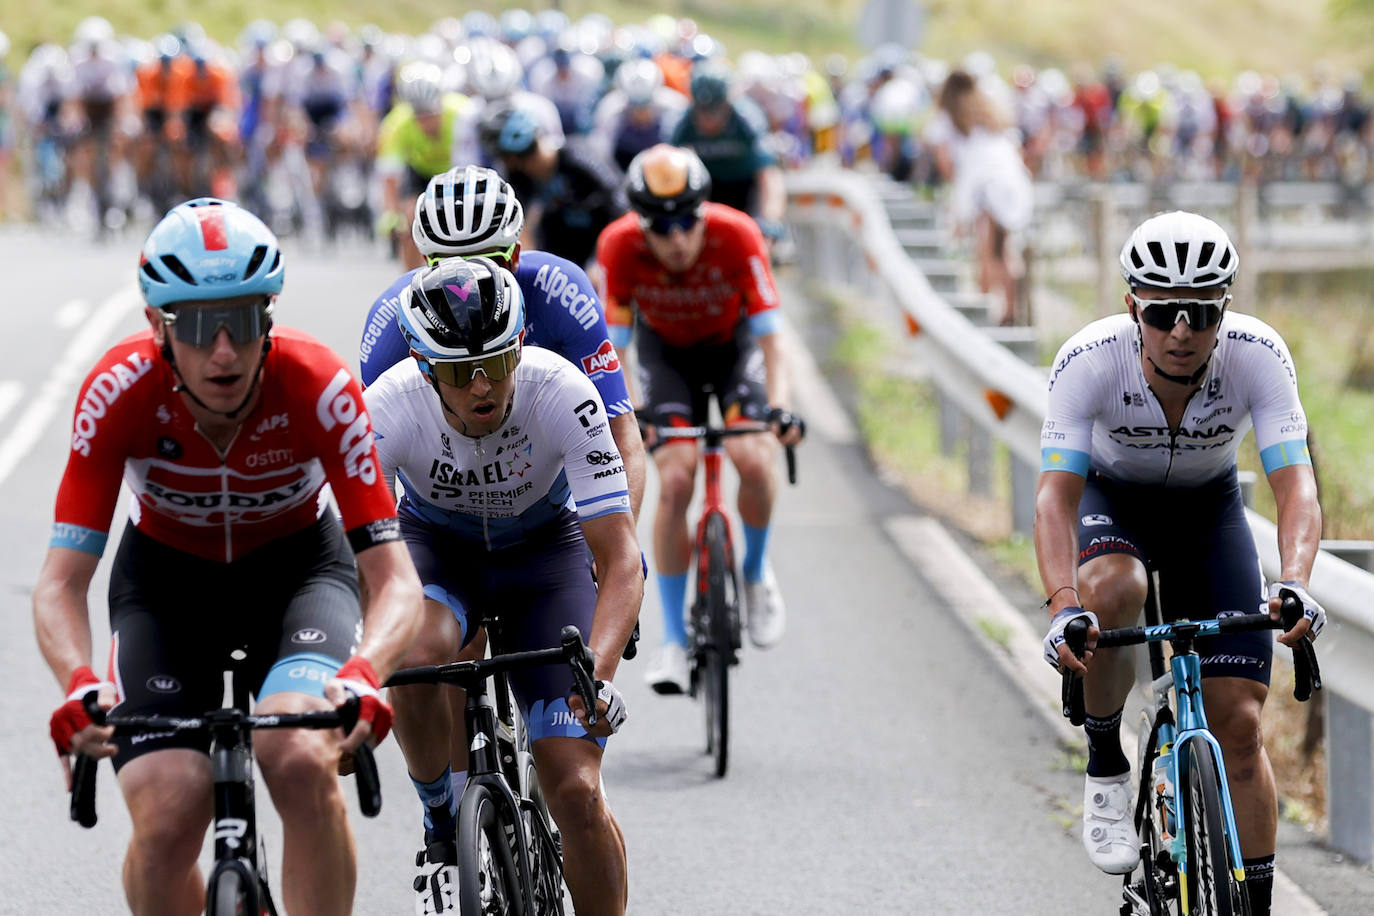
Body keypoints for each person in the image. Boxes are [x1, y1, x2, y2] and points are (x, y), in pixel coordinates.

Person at [35, 198, 423, 915]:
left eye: (242, 321)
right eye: (196, 325)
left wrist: (368, 673)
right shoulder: (116, 392)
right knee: (169, 809)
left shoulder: (319, 384)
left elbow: (393, 577)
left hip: (299, 577)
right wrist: (76, 681)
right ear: (157, 326)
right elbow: (60, 582)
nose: (223, 350)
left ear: (268, 318)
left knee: (301, 757)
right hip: (165, 588)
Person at [1034, 211, 1324, 916]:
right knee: (1117, 587)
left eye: (1201, 312)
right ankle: (1105, 758)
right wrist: (1064, 605)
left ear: (1225, 308)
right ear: (1134, 306)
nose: (1182, 331)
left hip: (1208, 512)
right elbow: (1053, 498)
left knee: (1240, 727)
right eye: (1164, 313)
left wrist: (1295, 583)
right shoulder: (1088, 358)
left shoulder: (1258, 353)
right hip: (1116, 503)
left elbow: (1296, 484)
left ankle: (1253, 904)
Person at [366, 257, 641, 916]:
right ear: (428, 370)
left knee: (574, 788)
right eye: (460, 373)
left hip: (545, 558)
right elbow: (358, 565)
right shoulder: (385, 408)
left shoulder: (562, 393)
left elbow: (622, 560)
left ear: (522, 345)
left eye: (497, 361)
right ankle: (440, 823)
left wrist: (595, 679)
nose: (484, 385)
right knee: (414, 656)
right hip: (441, 552)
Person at [597, 143, 804, 694]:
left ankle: (755, 573)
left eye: (687, 221)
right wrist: (631, 415)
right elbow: (614, 349)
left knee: (754, 459)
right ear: (641, 222)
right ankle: (674, 640)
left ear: (704, 212)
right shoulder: (619, 246)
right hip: (667, 359)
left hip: (733, 352)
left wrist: (781, 405)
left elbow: (773, 340)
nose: (676, 239)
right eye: (660, 227)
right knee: (676, 480)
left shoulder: (737, 234)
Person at [357, 164, 645, 514]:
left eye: (489, 262)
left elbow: (620, 428)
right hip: (443, 512)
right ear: (424, 263)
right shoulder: (392, 317)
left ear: (517, 256)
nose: (470, 285)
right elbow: (370, 455)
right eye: (449, 267)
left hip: (546, 504)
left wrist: (622, 540)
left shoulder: (562, 292)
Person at [479, 97, 627, 270]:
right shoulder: (519, 178)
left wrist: (598, 260)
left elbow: (619, 203)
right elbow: (517, 227)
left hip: (600, 244)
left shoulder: (578, 157)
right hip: (561, 250)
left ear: (511, 158)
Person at [934, 67, 1033, 326]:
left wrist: (959, 213)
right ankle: (1008, 310)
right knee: (1004, 251)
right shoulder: (991, 114)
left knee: (990, 251)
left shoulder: (956, 122)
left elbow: (955, 169)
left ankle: (988, 308)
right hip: (1011, 183)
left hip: (987, 188)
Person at [669, 58, 787, 248]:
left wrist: (770, 221)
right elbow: (670, 177)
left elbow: (769, 177)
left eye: (715, 112)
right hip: (707, 191)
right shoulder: (680, 125)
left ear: (727, 104)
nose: (708, 119)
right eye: (702, 111)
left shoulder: (747, 120)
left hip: (744, 188)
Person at [375, 61, 473, 270]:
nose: (426, 123)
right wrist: (392, 214)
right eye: (420, 116)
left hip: (460, 173)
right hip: (421, 175)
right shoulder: (396, 124)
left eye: (431, 114)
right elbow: (389, 177)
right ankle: (409, 283)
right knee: (410, 222)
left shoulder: (463, 112)